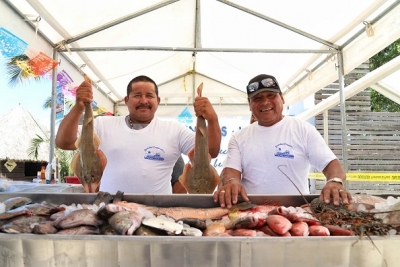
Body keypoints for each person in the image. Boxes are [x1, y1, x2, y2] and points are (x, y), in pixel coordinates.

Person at [56, 75, 221, 194]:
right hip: (110, 210)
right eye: (137, 96)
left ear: (158, 100)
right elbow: (64, 142)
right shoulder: (103, 124)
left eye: (149, 96)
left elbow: (209, 153)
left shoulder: (174, 130)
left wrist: (212, 119)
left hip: (158, 214)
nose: (144, 100)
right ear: (126, 100)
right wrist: (78, 106)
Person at [213, 74, 351, 208]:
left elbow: (331, 165)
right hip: (252, 212)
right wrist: (231, 182)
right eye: (257, 98)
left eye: (271, 95)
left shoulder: (303, 129)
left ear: (282, 98)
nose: (265, 102)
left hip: (297, 212)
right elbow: (231, 171)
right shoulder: (239, 137)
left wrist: (335, 181)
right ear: (250, 105)